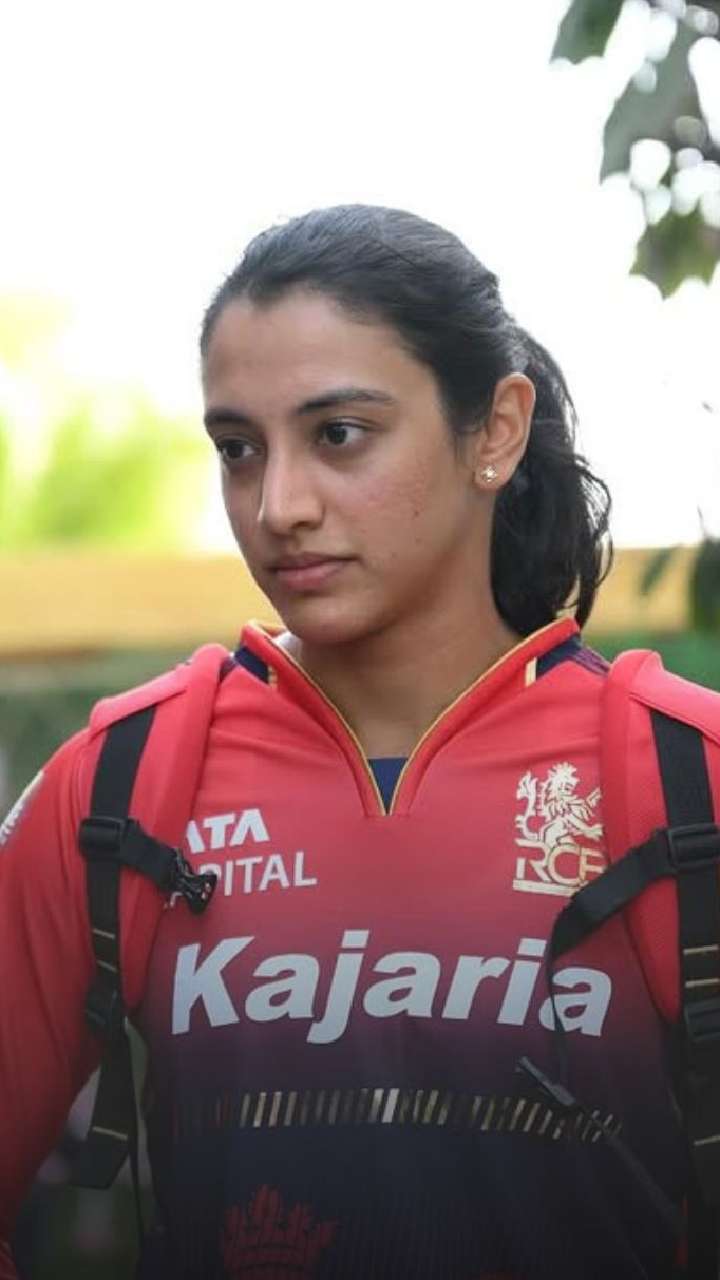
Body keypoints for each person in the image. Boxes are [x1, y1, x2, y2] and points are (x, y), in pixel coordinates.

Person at [0, 204, 707, 1279]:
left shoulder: (686, 774)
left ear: (495, 431)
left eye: (338, 434)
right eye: (239, 449)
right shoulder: (117, 783)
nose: (277, 505)